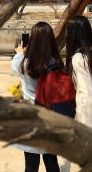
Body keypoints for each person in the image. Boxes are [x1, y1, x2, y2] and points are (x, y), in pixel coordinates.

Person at [11, 22, 62, 172]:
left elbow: (14, 65)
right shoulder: (56, 62)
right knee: (51, 160)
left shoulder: (25, 62)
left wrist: (20, 51)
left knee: (31, 163)